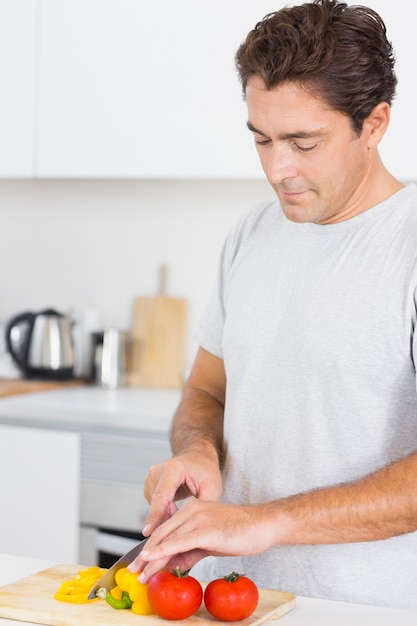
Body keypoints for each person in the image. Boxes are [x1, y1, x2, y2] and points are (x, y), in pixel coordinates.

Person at [129, 0, 417, 610]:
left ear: (375, 123)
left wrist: (265, 521)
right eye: (262, 139)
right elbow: (207, 389)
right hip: (226, 602)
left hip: (365, 611)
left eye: (303, 142)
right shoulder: (252, 234)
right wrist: (197, 451)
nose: (277, 168)